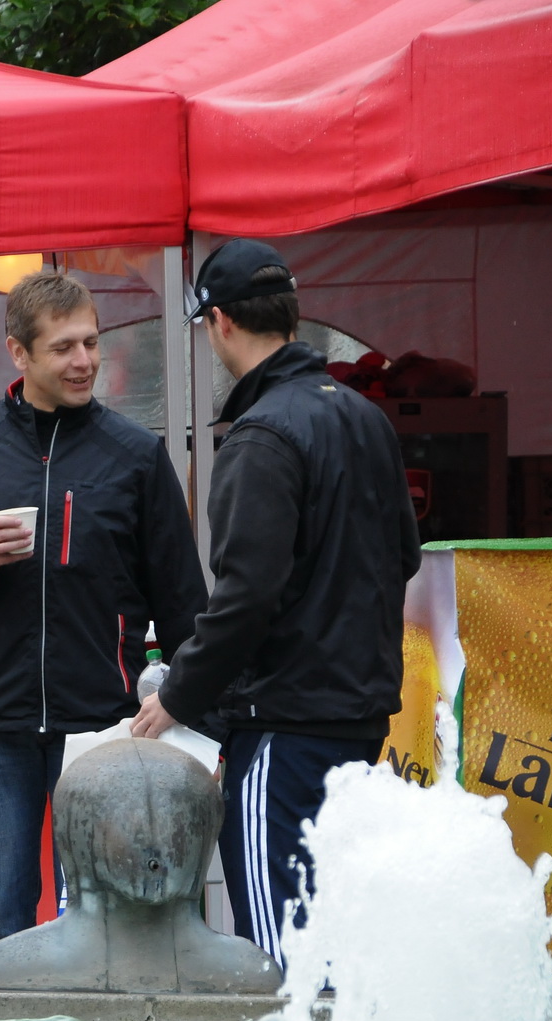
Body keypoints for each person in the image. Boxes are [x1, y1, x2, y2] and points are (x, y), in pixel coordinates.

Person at [0, 271, 207, 977]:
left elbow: (183, 599)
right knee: (0, 921)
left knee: (106, 920)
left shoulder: (133, 455)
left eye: (90, 342)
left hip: (101, 729)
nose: (83, 361)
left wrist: (189, 696)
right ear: (18, 353)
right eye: (63, 347)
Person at [131, 239, 421, 966]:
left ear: (219, 321)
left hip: (285, 725)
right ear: (289, 317)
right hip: (360, 719)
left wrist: (180, 693)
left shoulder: (260, 435)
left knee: (276, 961)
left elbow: (243, 597)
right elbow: (405, 555)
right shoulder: (364, 419)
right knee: (336, 942)